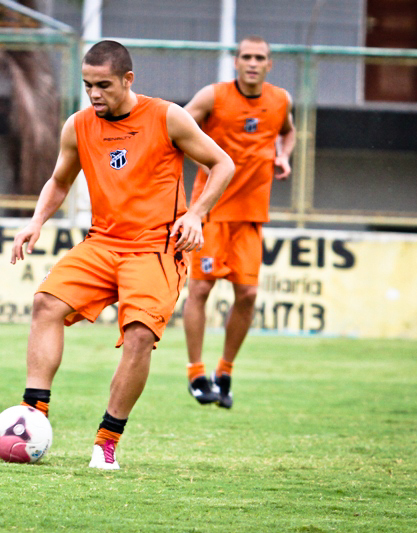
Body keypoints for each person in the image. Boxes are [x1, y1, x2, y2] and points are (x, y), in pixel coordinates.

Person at [0, 40, 234, 469]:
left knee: (139, 337)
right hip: (102, 243)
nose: (94, 94)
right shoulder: (78, 125)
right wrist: (35, 221)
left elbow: (223, 163)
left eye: (104, 85)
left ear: (128, 80)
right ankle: (30, 417)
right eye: (88, 84)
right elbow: (59, 180)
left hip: (155, 250)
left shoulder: (167, 117)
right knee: (46, 304)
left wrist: (198, 214)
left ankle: (106, 443)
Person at [182, 36, 296, 409]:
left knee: (247, 295)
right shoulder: (213, 96)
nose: (252, 62)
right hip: (211, 211)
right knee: (200, 290)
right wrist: (203, 162)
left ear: (269, 64)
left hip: (250, 215)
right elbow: (178, 126)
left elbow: (288, 131)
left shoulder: (280, 101)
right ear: (236, 61)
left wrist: (284, 156)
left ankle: (225, 371)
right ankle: (196, 373)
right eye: (246, 56)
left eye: (259, 57)